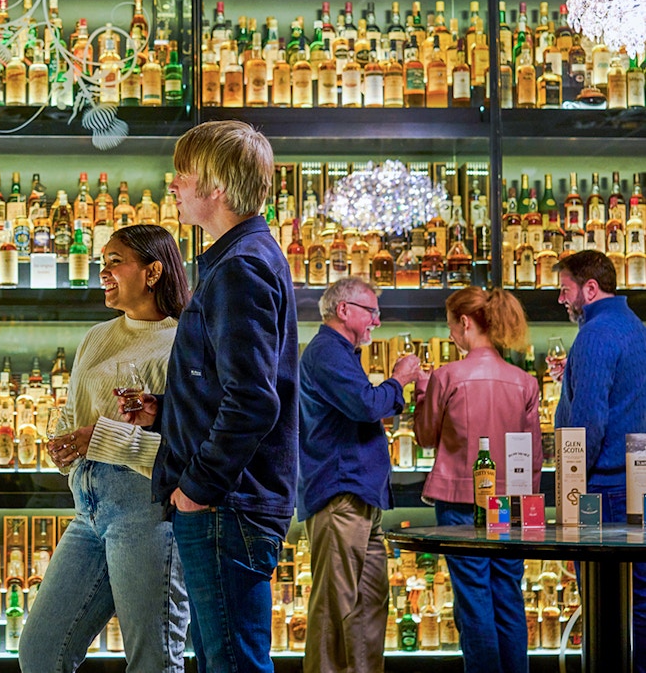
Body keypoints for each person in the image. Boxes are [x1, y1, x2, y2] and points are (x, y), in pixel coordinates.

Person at [123, 120, 299, 673]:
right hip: (233, 502)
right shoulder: (243, 257)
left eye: (184, 173)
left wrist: (196, 489)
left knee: (231, 663)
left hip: (228, 505)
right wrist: (167, 413)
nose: (172, 184)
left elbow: (253, 401)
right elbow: (230, 385)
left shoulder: (240, 266)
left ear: (216, 186)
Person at [19, 225, 192, 673]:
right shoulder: (97, 337)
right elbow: (73, 414)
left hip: (147, 507)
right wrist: (62, 447)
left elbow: (184, 452)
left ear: (153, 271)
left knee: (152, 661)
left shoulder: (185, 342)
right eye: (101, 262)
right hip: (88, 507)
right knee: (39, 651)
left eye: (115, 261)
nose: (103, 271)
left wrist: (102, 439)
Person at [413, 287, 541, 673]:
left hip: (459, 503)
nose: (451, 333)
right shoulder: (524, 382)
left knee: (473, 599)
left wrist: (422, 393)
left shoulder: (447, 376)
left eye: (451, 326)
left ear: (465, 323)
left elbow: (424, 437)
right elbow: (534, 456)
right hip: (509, 505)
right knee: (507, 595)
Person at [298, 277, 419, 673]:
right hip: (340, 497)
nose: (377, 322)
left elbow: (364, 408)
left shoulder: (343, 354)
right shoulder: (326, 352)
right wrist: (399, 379)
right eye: (372, 312)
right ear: (344, 310)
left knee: (368, 607)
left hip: (359, 498)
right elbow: (367, 406)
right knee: (335, 611)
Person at [549, 250, 646, 672]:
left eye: (565, 290)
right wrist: (573, 376)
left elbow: (586, 425)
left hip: (603, 490)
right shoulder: (635, 328)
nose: (560, 300)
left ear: (590, 289)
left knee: (603, 603)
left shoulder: (594, 334)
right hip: (638, 480)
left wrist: (570, 493)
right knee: (639, 597)